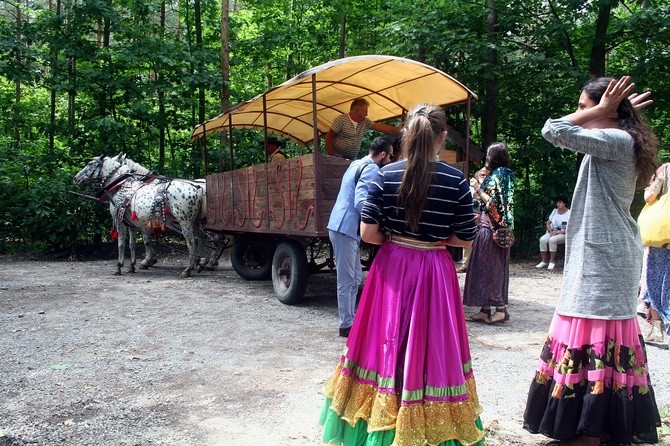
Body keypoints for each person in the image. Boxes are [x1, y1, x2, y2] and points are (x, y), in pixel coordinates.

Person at [320, 104, 484, 446]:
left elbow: (368, 232)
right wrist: (434, 241)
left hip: (392, 267)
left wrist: (396, 242)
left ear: (405, 135)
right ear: (441, 137)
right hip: (434, 270)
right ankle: (430, 428)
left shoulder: (385, 174)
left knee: (387, 340)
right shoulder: (456, 180)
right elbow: (466, 237)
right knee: (432, 344)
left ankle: (379, 424)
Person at [522, 76, 661, 445]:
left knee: (596, 335)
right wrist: (605, 112)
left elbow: (552, 129)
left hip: (606, 254)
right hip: (605, 251)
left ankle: (593, 430)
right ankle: (588, 427)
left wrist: (598, 112)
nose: (581, 112)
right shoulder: (614, 141)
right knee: (591, 334)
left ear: (608, 109)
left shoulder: (615, 140)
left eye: (585, 105)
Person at [327, 136, 394, 338]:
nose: (389, 161)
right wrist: (380, 222)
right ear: (382, 154)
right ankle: (346, 325)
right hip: (346, 228)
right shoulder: (373, 168)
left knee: (355, 277)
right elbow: (361, 201)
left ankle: (351, 319)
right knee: (347, 279)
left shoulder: (356, 163)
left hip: (343, 226)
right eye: (390, 156)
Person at [462, 143, 515, 324]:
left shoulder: (497, 176)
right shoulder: (506, 175)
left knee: (488, 269)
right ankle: (485, 310)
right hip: (501, 231)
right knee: (491, 268)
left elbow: (492, 203)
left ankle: (500, 309)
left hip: (490, 228)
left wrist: (477, 188)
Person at [639, 162, 670, 345]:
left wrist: (650, 184)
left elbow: (650, 196)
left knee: (656, 280)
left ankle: (657, 329)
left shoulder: (665, 169)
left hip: (663, 234)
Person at [325, 98, 399, 160]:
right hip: (338, 158)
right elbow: (328, 137)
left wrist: (398, 130)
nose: (367, 114)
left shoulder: (365, 122)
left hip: (352, 160)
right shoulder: (341, 120)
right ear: (358, 110)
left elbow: (379, 127)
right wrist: (332, 157)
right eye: (365, 111)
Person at [457, 167, 489, 273]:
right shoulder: (469, 189)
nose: (484, 177)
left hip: (486, 220)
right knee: (468, 240)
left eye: (485, 175)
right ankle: (465, 264)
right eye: (482, 175)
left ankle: (481, 265)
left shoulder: (490, 188)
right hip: (472, 217)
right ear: (476, 177)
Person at [536, 195, 571, 270]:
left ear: (564, 203)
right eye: (557, 202)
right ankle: (544, 260)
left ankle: (552, 261)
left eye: (560, 202)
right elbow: (548, 223)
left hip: (563, 234)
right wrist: (550, 231)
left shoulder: (569, 213)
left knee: (552, 240)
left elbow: (566, 227)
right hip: (553, 232)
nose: (558, 204)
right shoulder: (554, 211)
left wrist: (557, 233)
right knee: (542, 239)